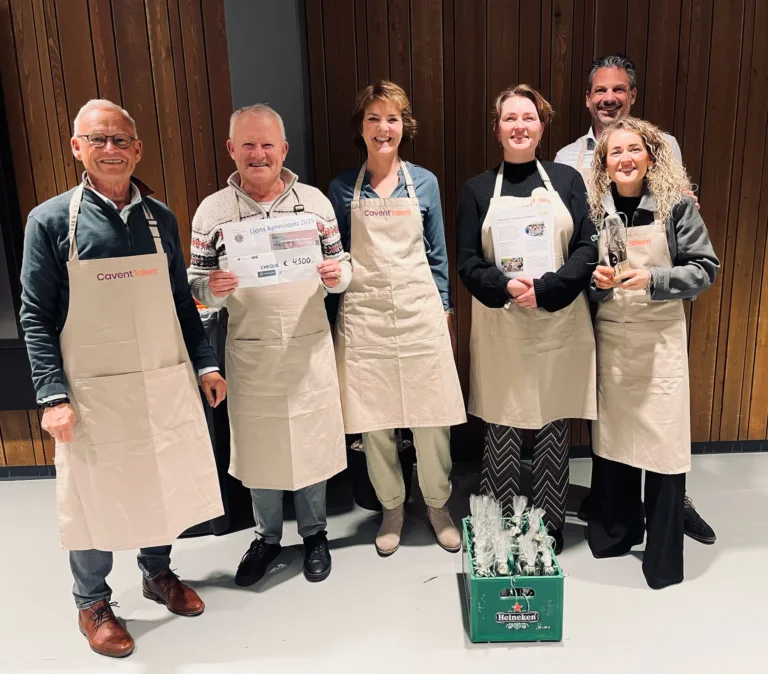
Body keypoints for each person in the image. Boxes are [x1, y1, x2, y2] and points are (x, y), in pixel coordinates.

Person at [19, 99, 226, 658]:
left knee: (162, 474)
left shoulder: (160, 219)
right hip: (90, 390)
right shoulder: (49, 221)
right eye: (98, 139)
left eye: (120, 140)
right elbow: (35, 315)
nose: (110, 149)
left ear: (137, 149)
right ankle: (92, 601)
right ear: (77, 148)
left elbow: (182, 301)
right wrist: (52, 395)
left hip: (159, 379)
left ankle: (157, 573)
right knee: (93, 491)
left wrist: (205, 362)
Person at [555, 53, 715, 545]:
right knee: (613, 431)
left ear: (632, 96)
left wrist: (652, 279)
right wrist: (591, 281)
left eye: (618, 90)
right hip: (605, 314)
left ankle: (671, 507)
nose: (609, 99)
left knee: (663, 432)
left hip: (657, 320)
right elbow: (570, 236)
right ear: (588, 99)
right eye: (600, 91)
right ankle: (613, 519)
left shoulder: (665, 145)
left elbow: (678, 216)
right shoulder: (566, 158)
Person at [188, 104, 349, 585]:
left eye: (268, 145)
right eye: (249, 145)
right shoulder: (213, 211)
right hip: (250, 346)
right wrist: (209, 288)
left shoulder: (316, 203)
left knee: (312, 439)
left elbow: (343, 266)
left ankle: (316, 535)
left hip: (308, 343)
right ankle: (266, 537)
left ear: (284, 150)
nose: (259, 155)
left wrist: (339, 277)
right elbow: (193, 283)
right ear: (231, 149)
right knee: (259, 444)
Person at [457, 85, 597, 553]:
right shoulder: (477, 189)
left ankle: (550, 523)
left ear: (542, 126)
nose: (519, 126)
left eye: (528, 118)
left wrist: (549, 288)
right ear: (497, 128)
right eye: (509, 118)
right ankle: (496, 523)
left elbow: (587, 247)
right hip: (504, 324)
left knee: (555, 423)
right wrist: (505, 288)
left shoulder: (567, 180)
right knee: (502, 421)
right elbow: (467, 261)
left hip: (559, 320)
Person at [328, 80, 466, 556]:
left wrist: (445, 311)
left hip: (418, 309)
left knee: (433, 418)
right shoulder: (343, 187)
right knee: (375, 421)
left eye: (391, 118)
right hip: (364, 315)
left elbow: (438, 254)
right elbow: (337, 253)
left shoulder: (423, 182)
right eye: (373, 118)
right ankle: (391, 508)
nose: (382, 127)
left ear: (404, 126)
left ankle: (437, 505)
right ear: (361, 128)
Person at [586, 117, 719, 589]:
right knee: (614, 445)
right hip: (613, 341)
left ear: (650, 156)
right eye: (614, 151)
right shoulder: (594, 209)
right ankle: (615, 534)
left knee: (663, 449)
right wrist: (598, 285)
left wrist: (655, 280)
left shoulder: (676, 206)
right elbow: (586, 280)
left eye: (633, 149)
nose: (624, 158)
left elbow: (705, 269)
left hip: (660, 342)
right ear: (603, 163)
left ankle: (661, 559)